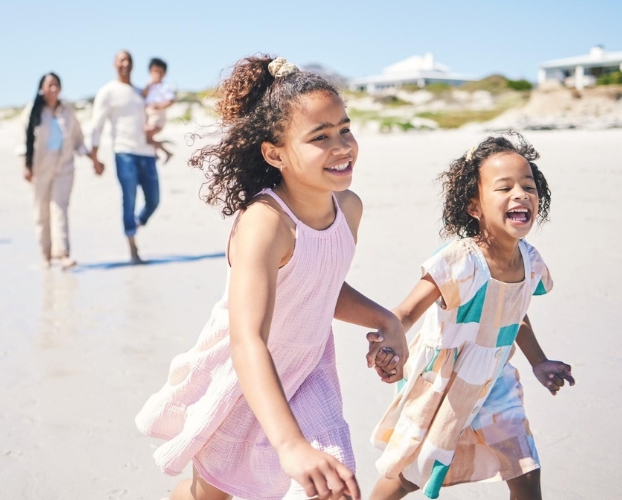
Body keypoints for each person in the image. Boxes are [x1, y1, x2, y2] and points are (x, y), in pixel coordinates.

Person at [135, 56, 408, 500]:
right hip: (245, 373)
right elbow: (248, 340)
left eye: (345, 129)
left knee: (334, 485)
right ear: (274, 153)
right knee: (212, 495)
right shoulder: (266, 223)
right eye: (320, 137)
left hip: (310, 370)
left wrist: (385, 319)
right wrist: (290, 444)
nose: (342, 146)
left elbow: (320, 286)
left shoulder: (348, 208)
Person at [369, 133, 575, 500]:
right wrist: (388, 338)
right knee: (412, 471)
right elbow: (406, 311)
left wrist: (539, 362)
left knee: (525, 470)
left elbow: (514, 312)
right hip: (445, 381)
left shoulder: (530, 261)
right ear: (474, 206)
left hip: (495, 379)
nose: (520, 194)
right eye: (504, 187)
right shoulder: (461, 261)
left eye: (528, 186)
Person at [21, 72, 97, 269]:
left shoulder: (67, 110)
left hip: (64, 167)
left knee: (60, 208)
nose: (53, 89)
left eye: (56, 85)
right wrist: (26, 166)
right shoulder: (32, 111)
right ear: (42, 88)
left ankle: (63, 254)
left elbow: (78, 139)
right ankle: (45, 255)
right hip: (40, 168)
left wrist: (93, 159)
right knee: (41, 212)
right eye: (50, 85)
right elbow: (23, 141)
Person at [90, 50, 159, 264]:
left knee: (154, 200)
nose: (125, 64)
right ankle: (133, 247)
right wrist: (95, 157)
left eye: (128, 60)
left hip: (147, 153)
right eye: (121, 60)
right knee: (129, 198)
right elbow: (96, 125)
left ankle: (134, 224)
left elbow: (154, 116)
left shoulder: (140, 92)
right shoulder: (107, 92)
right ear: (114, 64)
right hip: (124, 152)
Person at [142, 57, 174, 163]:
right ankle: (161, 153)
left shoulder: (164, 87)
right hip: (149, 115)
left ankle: (159, 153)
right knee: (146, 136)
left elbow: (171, 101)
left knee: (147, 133)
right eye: (155, 72)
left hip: (158, 116)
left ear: (164, 74)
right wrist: (149, 85)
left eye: (160, 72)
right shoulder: (150, 86)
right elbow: (143, 95)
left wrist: (158, 106)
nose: (157, 75)